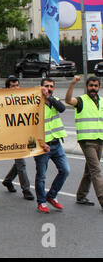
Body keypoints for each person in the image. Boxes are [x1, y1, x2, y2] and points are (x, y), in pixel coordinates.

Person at [65, 76, 103, 210]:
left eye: (96, 86)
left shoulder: (101, 101)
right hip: (87, 141)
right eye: (91, 85)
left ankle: (81, 195)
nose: (93, 88)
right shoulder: (81, 100)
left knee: (90, 170)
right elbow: (68, 100)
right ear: (87, 86)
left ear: (99, 87)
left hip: (99, 140)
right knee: (96, 170)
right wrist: (73, 84)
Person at [33, 78, 69, 213]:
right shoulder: (35, 102)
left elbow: (62, 108)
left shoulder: (55, 100)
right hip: (43, 146)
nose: (49, 88)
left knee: (65, 170)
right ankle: (41, 202)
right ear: (40, 87)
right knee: (41, 175)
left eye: (51, 86)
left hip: (56, 143)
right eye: (46, 86)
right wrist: (41, 143)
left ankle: (52, 196)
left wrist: (50, 98)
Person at [1, 76, 35, 201]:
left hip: (22, 134)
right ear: (7, 88)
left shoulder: (23, 98)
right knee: (21, 163)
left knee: (20, 161)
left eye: (17, 85)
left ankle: (8, 180)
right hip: (11, 135)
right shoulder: (2, 100)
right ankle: (26, 190)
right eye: (13, 86)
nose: (16, 88)